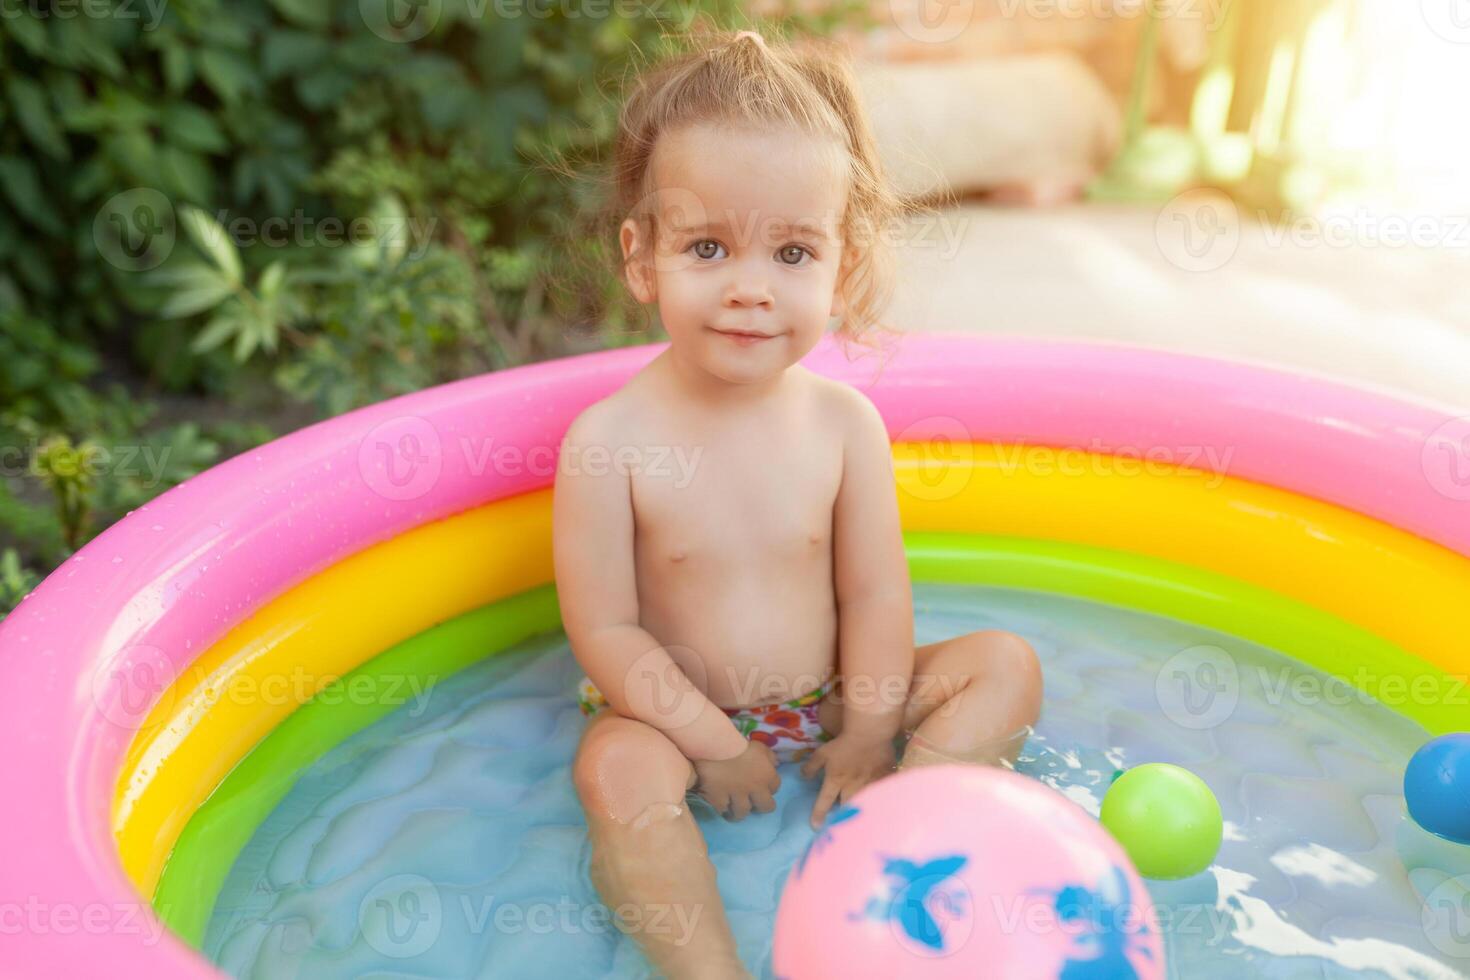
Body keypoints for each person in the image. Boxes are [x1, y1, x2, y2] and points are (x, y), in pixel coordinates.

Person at [552, 28, 1043, 978]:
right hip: (673, 719)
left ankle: (897, 847)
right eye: (706, 247)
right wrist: (711, 742)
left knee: (1003, 666)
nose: (749, 290)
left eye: (791, 252)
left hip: (826, 703)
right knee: (615, 770)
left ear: (841, 266)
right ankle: (712, 970)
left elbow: (872, 597)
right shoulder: (608, 443)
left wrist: (865, 730)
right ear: (641, 256)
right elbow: (607, 632)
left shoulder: (845, 426)